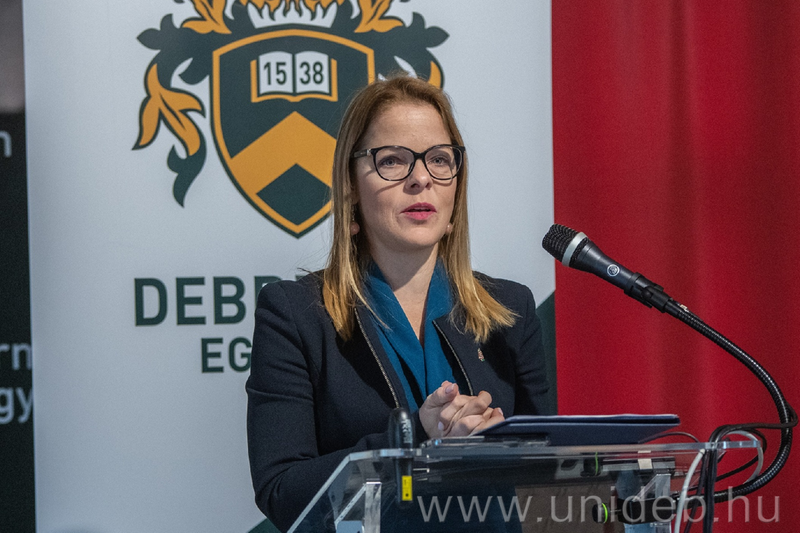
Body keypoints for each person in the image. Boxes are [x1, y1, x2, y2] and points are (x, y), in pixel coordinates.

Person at [246, 74, 555, 532]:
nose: (421, 178)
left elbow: (551, 472)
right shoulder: (295, 314)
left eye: (439, 159)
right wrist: (413, 437)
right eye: (392, 160)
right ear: (350, 187)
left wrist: (502, 449)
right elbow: (283, 492)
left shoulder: (511, 309)